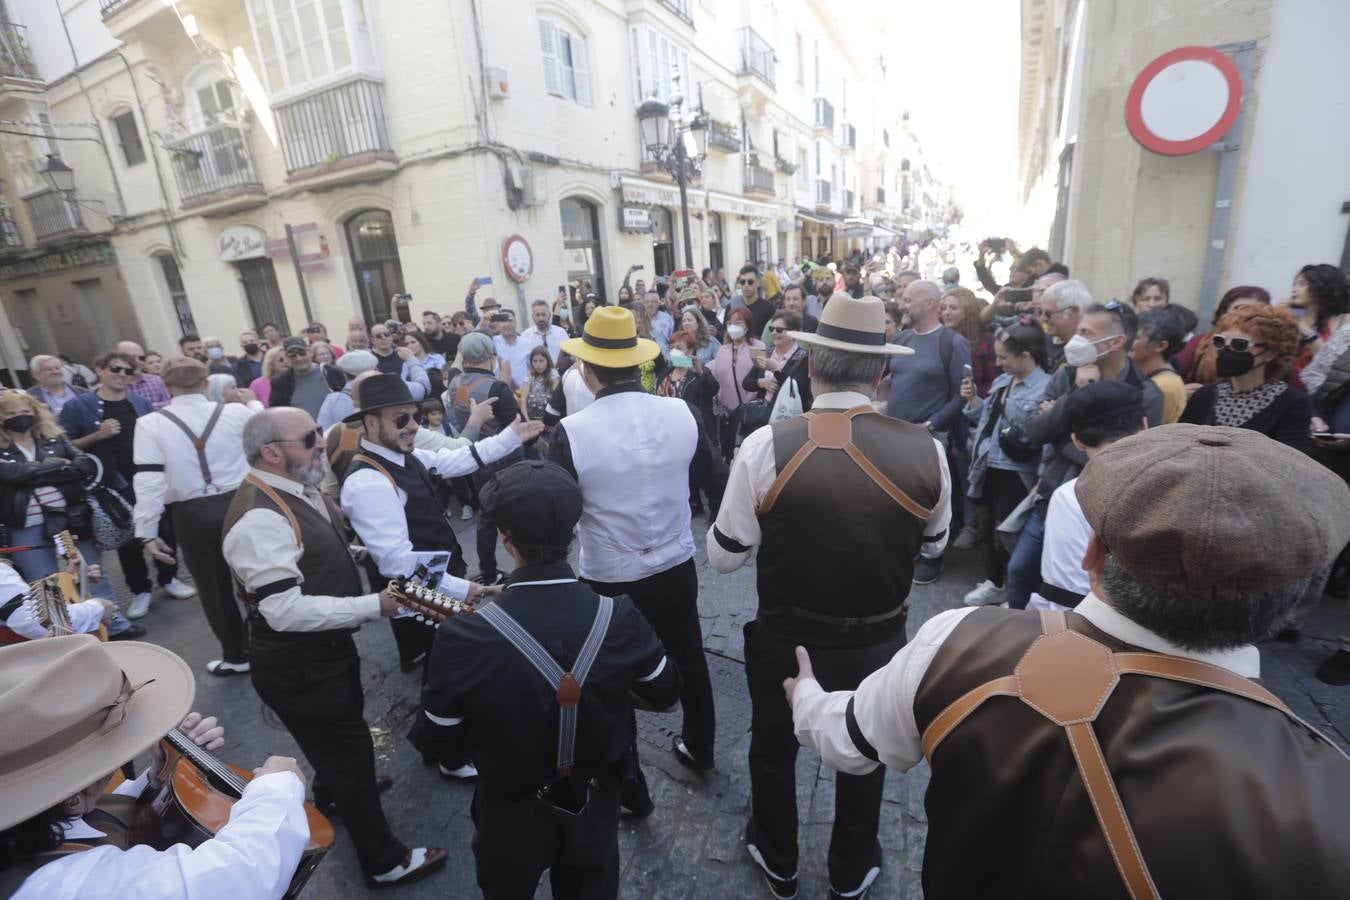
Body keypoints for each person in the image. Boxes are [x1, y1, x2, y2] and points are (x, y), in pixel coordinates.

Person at [788, 424, 1350, 900]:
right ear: (1294, 601)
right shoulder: (1326, 798)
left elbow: (848, 741)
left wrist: (804, 695)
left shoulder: (960, 639)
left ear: (1092, 554)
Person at [708, 293, 949, 900]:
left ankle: (778, 854)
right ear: (880, 376)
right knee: (865, 752)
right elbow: (936, 542)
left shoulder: (767, 445)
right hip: (878, 640)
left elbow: (723, 556)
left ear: (811, 369)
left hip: (786, 638)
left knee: (770, 749)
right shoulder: (928, 449)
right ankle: (850, 867)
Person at [411, 461, 682, 899]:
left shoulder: (462, 635)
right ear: (572, 531)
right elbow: (665, 691)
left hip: (510, 811)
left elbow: (441, 740)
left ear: (504, 538)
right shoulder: (619, 616)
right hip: (596, 802)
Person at [222, 407, 449, 887]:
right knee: (348, 752)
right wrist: (375, 604)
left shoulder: (296, 490)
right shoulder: (257, 518)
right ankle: (385, 861)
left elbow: (328, 553)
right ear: (272, 452)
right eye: (309, 438)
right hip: (298, 664)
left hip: (323, 653)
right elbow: (282, 610)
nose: (323, 444)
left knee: (341, 744)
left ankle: (330, 792)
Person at [548, 306, 720, 803]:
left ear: (588, 369)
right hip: (674, 560)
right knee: (689, 651)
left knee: (611, 674)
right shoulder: (680, 411)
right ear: (637, 363)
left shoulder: (573, 431)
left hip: (609, 572)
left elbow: (559, 508)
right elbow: (714, 476)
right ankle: (701, 746)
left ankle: (630, 784)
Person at [0, 635, 312, 899]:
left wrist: (159, 776)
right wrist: (276, 788)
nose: (111, 767)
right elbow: (239, 877)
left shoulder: (31, 827)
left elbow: (88, 823)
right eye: (106, 760)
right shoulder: (60, 887)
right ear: (71, 796)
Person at [1013, 298, 1164, 611]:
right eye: (1078, 330)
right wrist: (1075, 396)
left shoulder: (1145, 392)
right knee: (1020, 571)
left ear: (1117, 341)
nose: (1077, 339)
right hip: (1054, 490)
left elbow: (1133, 451)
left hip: (1111, 508)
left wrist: (1067, 436)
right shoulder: (1066, 376)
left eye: (1087, 332)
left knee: (1086, 586)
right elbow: (1036, 431)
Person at [133, 357, 261, 675]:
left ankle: (237, 655)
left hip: (192, 514)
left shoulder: (150, 423)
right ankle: (276, 643)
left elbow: (149, 480)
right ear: (205, 383)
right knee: (259, 576)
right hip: (242, 502)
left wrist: (147, 531)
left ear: (166, 386)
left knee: (213, 588)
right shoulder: (236, 413)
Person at [60, 352, 194, 619]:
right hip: (112, 485)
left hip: (151, 477)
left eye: (128, 371)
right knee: (129, 539)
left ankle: (169, 579)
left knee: (165, 530)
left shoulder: (140, 402)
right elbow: (63, 446)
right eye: (115, 369)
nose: (122, 375)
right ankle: (140, 590)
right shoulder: (79, 407)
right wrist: (98, 435)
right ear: (99, 369)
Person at [0, 390, 140, 639]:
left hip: (70, 520)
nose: (19, 417)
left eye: (24, 411)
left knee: (91, 574)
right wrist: (58, 466)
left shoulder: (54, 437)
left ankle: (114, 625)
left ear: (35, 412)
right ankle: (67, 637)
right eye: (11, 413)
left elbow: (83, 465)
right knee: (43, 584)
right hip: (26, 525)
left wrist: (31, 473)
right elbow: (11, 475)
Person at [1028, 380, 1145, 613]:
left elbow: (1064, 595)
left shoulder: (1072, 497)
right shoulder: (1181, 482)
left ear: (1077, 441)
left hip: (1102, 629)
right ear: (1144, 425)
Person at [885, 280, 971, 585]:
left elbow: (962, 395)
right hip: (894, 434)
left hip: (928, 437)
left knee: (928, 498)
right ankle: (905, 549)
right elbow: (890, 380)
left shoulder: (952, 343)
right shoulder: (902, 337)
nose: (903, 305)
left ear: (930, 304)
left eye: (909, 300)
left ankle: (932, 556)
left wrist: (932, 424)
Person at [960, 323, 1051, 607]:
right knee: (987, 529)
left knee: (1009, 533)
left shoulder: (1046, 387)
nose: (998, 363)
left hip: (1019, 473)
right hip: (989, 465)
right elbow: (985, 420)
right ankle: (995, 582)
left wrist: (1043, 477)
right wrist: (973, 399)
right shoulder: (1002, 382)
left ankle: (1016, 590)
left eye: (1004, 358)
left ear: (1025, 355)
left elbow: (1042, 436)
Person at [445, 333, 527, 584]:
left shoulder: (454, 383)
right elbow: (518, 426)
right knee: (522, 514)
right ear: (492, 356)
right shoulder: (497, 387)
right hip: (507, 460)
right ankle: (529, 569)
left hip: (476, 458)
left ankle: (489, 573)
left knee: (487, 519)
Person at [1180, 304, 1311, 449]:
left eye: (1240, 344)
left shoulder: (1293, 403)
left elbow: (1290, 460)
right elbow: (1182, 446)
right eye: (1220, 341)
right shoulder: (1205, 395)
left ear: (1271, 353)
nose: (1226, 350)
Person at [660, 332, 724, 515]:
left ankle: (712, 505)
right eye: (672, 347)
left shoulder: (697, 373)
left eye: (679, 348)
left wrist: (701, 371)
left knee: (700, 467)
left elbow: (713, 389)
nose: (674, 352)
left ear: (690, 351)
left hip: (693, 428)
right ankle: (690, 501)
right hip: (668, 430)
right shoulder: (666, 372)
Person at [1177, 285, 1270, 383]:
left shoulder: (1269, 348)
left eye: (1253, 310)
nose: (1244, 315)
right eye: (1239, 308)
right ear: (1223, 312)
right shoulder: (1199, 343)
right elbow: (1175, 374)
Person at [1281, 263, 1350, 388]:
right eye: (1295, 284)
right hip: (1288, 392)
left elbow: (1330, 362)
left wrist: (1303, 328)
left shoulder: (1343, 321)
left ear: (1321, 286)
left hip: (1321, 395)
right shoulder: (1289, 318)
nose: (1294, 289)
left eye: (1302, 284)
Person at [708, 307, 764, 461]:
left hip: (751, 414)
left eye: (738, 322)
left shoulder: (758, 347)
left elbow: (762, 374)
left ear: (747, 325)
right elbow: (715, 374)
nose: (733, 326)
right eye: (730, 323)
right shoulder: (723, 350)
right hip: (728, 416)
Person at [743, 311, 812, 413]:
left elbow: (798, 391)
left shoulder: (804, 358)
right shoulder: (765, 353)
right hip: (763, 415)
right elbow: (746, 383)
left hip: (788, 416)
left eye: (779, 330)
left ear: (793, 333)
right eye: (771, 329)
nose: (774, 333)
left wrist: (776, 370)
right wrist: (761, 382)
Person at [1131, 307, 1188, 424]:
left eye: (1136, 337)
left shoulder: (1164, 386)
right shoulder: (1157, 378)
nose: (1128, 341)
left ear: (1160, 346)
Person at [941, 287, 996, 397]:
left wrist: (973, 395)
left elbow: (995, 381)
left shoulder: (987, 342)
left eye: (953, 308)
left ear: (967, 312)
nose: (946, 312)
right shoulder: (938, 338)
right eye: (943, 308)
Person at [268, 337, 337, 417]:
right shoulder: (281, 382)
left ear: (310, 353)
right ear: (287, 357)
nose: (299, 358)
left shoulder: (331, 372)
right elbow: (277, 412)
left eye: (302, 353)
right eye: (292, 355)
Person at [369, 324, 432, 397]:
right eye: (378, 336)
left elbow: (420, 382)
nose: (384, 337)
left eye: (386, 334)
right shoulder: (370, 360)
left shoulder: (403, 355)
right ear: (373, 340)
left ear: (391, 336)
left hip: (408, 397)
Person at [115, 341, 171, 410]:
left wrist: (142, 407)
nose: (137, 361)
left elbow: (169, 406)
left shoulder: (156, 381)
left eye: (141, 358)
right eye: (131, 358)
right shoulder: (110, 386)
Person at [523, 299, 571, 365]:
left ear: (549, 315)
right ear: (533, 317)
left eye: (543, 314)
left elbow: (571, 355)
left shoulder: (561, 333)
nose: (541, 318)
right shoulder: (526, 336)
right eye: (537, 315)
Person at [519, 346, 558, 426]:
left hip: (549, 420)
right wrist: (527, 420)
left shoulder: (553, 373)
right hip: (531, 418)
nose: (538, 364)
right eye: (535, 361)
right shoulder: (530, 375)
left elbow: (556, 398)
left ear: (547, 360)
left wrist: (551, 422)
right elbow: (523, 399)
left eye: (541, 361)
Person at [736, 265, 777, 338]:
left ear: (758, 283)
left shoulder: (768, 308)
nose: (746, 285)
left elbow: (772, 335)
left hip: (759, 348)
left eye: (750, 282)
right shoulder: (732, 305)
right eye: (742, 282)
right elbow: (725, 333)